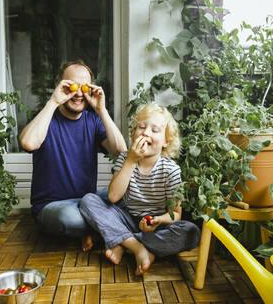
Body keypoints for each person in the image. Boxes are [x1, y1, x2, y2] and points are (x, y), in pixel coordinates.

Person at [79, 102, 201, 275]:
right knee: (88, 201)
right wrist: (131, 160)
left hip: (155, 228)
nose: (145, 132)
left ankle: (122, 242)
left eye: (155, 130)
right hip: (126, 219)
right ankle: (138, 248)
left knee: (191, 232)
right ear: (134, 133)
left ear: (166, 141)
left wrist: (159, 220)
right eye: (141, 127)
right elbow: (113, 197)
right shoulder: (124, 159)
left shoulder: (171, 170)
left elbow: (176, 214)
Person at [20, 60, 126, 251]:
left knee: (125, 194)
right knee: (70, 218)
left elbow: (120, 150)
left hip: (87, 201)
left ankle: (91, 230)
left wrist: (101, 110)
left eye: (84, 87)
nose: (78, 94)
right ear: (60, 87)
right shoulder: (46, 118)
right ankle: (100, 227)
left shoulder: (93, 120)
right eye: (72, 86)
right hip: (53, 207)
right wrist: (53, 102)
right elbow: (28, 143)